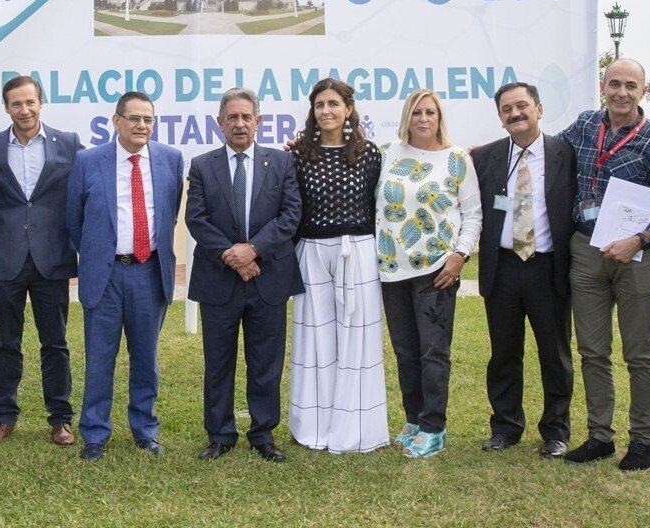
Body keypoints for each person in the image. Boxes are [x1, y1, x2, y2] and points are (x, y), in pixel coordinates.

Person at [558, 59, 650, 471]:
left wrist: (638, 240)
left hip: (636, 257)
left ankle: (643, 441)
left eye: (631, 85)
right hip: (585, 250)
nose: (621, 92)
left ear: (644, 91)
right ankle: (600, 437)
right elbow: (545, 152)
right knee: (592, 351)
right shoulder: (584, 125)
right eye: (614, 84)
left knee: (639, 353)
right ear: (602, 86)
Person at [186, 88, 303, 463]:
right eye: (232, 117)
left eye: (246, 117)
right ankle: (220, 435)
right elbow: (196, 219)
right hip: (218, 280)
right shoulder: (202, 165)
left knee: (266, 362)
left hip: (268, 278)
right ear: (220, 123)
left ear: (258, 121)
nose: (239, 124)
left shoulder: (281, 163)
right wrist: (233, 257)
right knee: (218, 363)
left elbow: (290, 215)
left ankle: (263, 434)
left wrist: (253, 250)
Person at [67, 91, 184, 461]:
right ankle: (94, 434)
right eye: (134, 118)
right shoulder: (88, 161)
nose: (141, 125)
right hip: (105, 274)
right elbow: (74, 220)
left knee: (145, 358)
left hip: (149, 273)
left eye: (148, 119)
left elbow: (170, 214)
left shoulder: (170, 159)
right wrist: (99, 253)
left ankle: (145, 430)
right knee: (99, 358)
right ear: (116, 121)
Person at [0, 75, 84, 447]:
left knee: (55, 342)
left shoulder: (68, 143)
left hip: (51, 259)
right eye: (16, 104)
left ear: (41, 103)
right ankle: (3, 417)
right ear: (6, 108)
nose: (24, 110)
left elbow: (83, 191)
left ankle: (60, 419)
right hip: (6, 258)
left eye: (30, 102)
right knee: (6, 341)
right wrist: (7, 224)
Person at [471, 82, 576, 459]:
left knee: (555, 354)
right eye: (506, 109)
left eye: (522, 106)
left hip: (548, 268)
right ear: (500, 117)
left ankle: (556, 431)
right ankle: (505, 427)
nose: (515, 114)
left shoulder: (566, 153)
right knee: (503, 353)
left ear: (539, 109)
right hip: (502, 268)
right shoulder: (484, 157)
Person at [376, 88, 482, 458]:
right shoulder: (387, 153)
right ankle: (414, 419)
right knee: (405, 351)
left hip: (437, 270)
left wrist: (460, 255)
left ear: (439, 118)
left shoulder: (456, 159)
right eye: (417, 112)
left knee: (433, 351)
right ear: (407, 116)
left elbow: (473, 214)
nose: (423, 118)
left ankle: (434, 427)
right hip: (392, 269)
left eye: (430, 112)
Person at [288, 78, 388, 454]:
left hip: (358, 250)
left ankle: (356, 430)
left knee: (357, 339)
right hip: (311, 250)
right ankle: (313, 428)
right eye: (319, 105)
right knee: (315, 340)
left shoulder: (370, 154)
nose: (326, 110)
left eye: (333, 103)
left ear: (348, 109)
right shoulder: (299, 154)